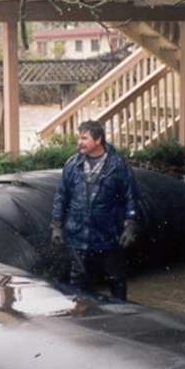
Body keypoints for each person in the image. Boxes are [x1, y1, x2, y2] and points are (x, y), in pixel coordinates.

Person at [50, 120, 140, 300]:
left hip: (108, 234)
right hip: (78, 234)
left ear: (98, 140)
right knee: (77, 281)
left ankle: (122, 316)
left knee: (116, 278)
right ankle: (81, 320)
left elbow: (131, 198)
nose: (79, 142)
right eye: (78, 138)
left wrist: (130, 225)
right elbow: (61, 197)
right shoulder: (72, 164)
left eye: (84, 138)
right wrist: (56, 225)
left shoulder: (118, 165)